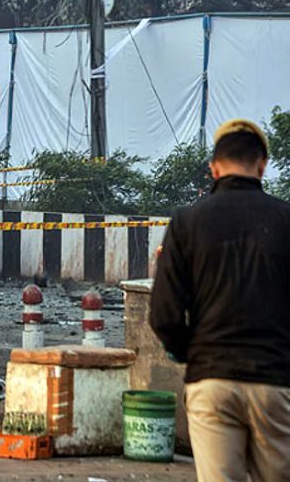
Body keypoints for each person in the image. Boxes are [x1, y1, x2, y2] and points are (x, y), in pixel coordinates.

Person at [150, 119, 290, 482]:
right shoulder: (285, 219)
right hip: (276, 381)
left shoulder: (186, 222)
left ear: (214, 168)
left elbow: (163, 314)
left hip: (211, 379)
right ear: (262, 166)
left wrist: (192, 353)